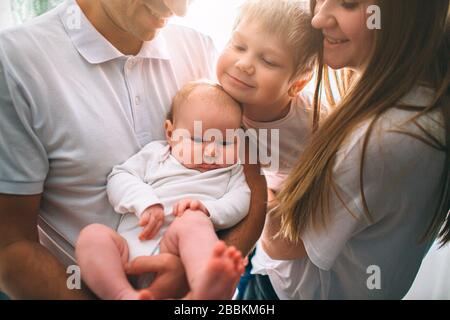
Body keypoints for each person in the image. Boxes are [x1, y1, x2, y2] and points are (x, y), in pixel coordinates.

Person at [0, 0, 267, 300]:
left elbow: (251, 183)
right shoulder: (13, 62)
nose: (180, 11)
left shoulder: (198, 49)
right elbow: (10, 246)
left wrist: (198, 278)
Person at [243, 0, 450, 299]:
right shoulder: (414, 100)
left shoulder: (383, 138)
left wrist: (248, 170)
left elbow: (284, 242)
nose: (318, 18)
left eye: (349, 4)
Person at [76, 81, 250, 300]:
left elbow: (241, 200)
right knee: (93, 235)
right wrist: (145, 202)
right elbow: (119, 177)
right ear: (170, 132)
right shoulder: (156, 155)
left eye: (226, 142)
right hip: (127, 253)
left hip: (178, 252)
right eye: (197, 139)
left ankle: (203, 286)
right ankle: (122, 294)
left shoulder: (231, 170)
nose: (212, 151)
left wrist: (207, 209)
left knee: (192, 221)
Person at [215, 0, 322, 298]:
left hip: (289, 225)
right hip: (240, 214)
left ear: (297, 84)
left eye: (269, 61)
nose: (245, 63)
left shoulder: (313, 126)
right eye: (238, 46)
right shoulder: (216, 101)